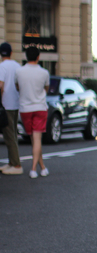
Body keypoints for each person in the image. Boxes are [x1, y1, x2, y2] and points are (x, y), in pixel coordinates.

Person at [14, 46, 49, 179]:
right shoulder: (44, 73)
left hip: (25, 108)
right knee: (37, 139)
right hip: (40, 107)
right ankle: (37, 168)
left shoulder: (19, 71)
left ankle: (39, 168)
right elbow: (46, 88)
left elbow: (17, 87)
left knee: (33, 139)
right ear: (38, 57)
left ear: (26, 56)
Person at [0, 42, 23, 175]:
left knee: (9, 136)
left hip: (5, 105)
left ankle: (16, 164)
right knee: (12, 134)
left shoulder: (2, 67)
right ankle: (11, 162)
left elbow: (0, 86)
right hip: (14, 104)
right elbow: (19, 85)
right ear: (11, 53)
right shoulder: (17, 66)